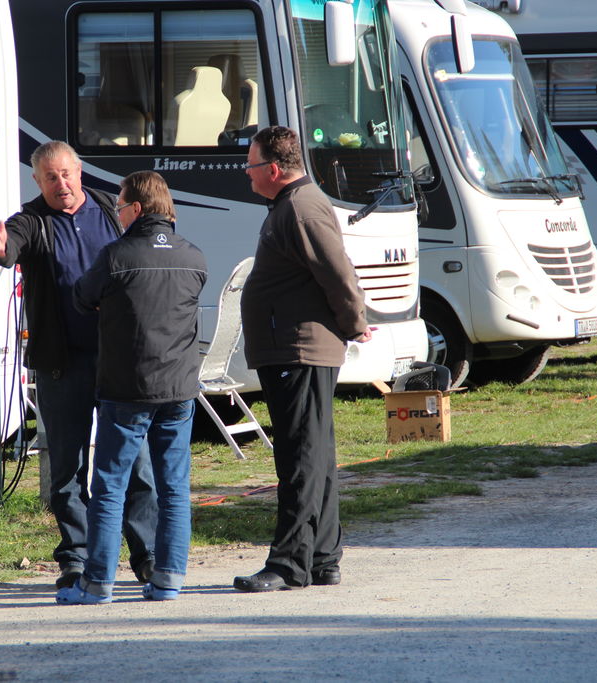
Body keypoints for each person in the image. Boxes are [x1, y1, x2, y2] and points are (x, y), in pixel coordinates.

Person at [0, 141, 157, 589]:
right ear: (37, 181)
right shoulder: (32, 220)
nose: (60, 184)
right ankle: (76, 559)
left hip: (117, 360)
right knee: (67, 468)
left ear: (79, 172)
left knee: (135, 462)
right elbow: (10, 245)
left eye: (66, 174)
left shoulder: (108, 206)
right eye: (50, 177)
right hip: (62, 365)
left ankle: (147, 555)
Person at [57, 171, 207, 604]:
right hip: (179, 389)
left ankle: (97, 582)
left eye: (120, 206)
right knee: (174, 487)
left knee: (109, 486)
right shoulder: (194, 257)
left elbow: (82, 297)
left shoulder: (116, 255)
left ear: (137, 209)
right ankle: (168, 580)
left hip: (127, 389)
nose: (117, 213)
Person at [233, 126, 371, 592]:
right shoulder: (288, 205)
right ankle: (323, 558)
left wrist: (355, 322)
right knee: (314, 456)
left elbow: (338, 272)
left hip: (300, 350)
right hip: (293, 348)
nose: (247, 173)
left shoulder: (301, 207)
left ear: (273, 169)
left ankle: (289, 564)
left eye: (251, 165)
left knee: (301, 459)